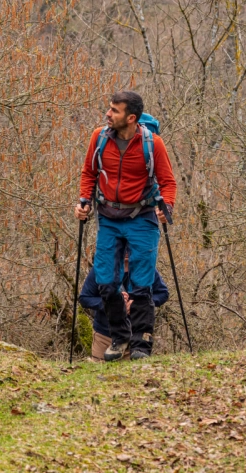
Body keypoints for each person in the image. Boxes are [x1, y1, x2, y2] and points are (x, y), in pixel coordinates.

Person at [75, 91, 177, 361]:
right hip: (108, 217)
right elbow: (89, 173)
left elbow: (168, 182)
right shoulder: (98, 138)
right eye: (109, 108)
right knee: (106, 281)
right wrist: (84, 201)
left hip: (142, 217)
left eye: (114, 110)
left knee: (142, 283)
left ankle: (141, 345)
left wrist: (167, 207)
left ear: (131, 118)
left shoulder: (153, 144)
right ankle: (119, 338)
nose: (108, 114)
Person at [79, 254, 169, 361]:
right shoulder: (102, 267)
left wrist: (139, 304)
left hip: (136, 339)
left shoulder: (144, 267)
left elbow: (162, 293)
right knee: (99, 370)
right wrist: (111, 305)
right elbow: (85, 298)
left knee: (135, 371)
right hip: (104, 336)